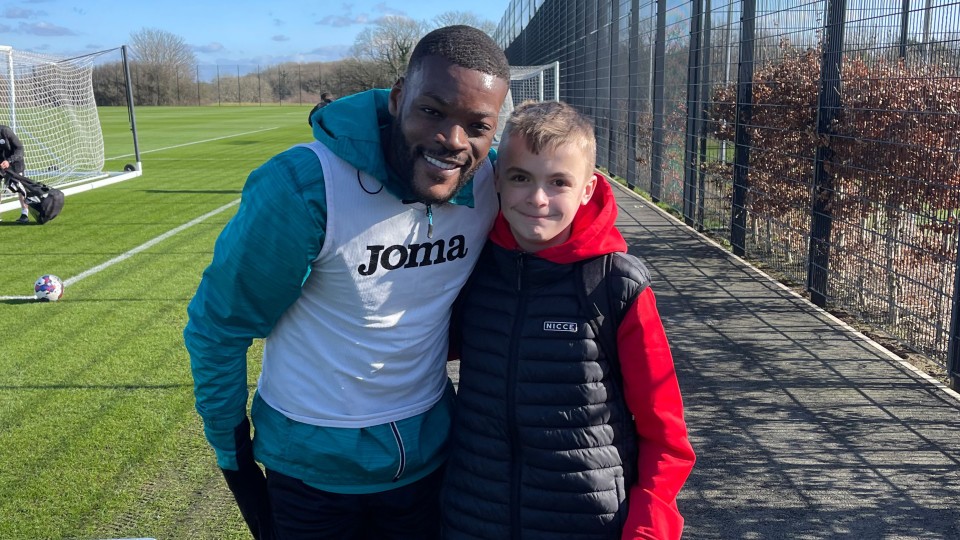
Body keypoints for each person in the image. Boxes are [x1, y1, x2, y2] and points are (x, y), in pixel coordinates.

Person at [183, 25, 510, 540]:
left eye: (478, 125)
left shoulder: (493, 185)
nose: (452, 139)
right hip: (312, 476)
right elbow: (220, 327)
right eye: (432, 110)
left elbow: (571, 218)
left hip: (431, 460)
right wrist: (232, 452)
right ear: (398, 98)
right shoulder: (306, 187)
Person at [440, 101, 696, 540]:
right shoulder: (472, 267)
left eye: (558, 182)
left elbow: (664, 429)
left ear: (587, 188)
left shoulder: (615, 284)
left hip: (589, 520)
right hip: (474, 514)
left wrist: (650, 527)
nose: (537, 198)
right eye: (521, 177)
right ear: (497, 179)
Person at [0, 124, 30, 223]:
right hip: (1, 163)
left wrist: (9, 161)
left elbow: (20, 149)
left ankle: (24, 214)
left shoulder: (5, 131)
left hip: (15, 163)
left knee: (20, 188)